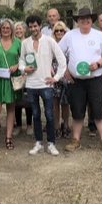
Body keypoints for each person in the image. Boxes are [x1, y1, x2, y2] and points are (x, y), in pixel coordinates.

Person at [58, 7, 102, 153]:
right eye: (82, 19)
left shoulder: (99, 35)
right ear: (78, 21)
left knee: (98, 108)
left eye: (88, 19)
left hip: (95, 78)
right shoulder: (70, 35)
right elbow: (58, 53)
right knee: (77, 109)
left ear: (91, 20)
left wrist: (98, 63)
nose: (85, 21)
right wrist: (65, 71)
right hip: (76, 81)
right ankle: (75, 140)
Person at [20, 15, 66, 156]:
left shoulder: (49, 41)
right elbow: (21, 60)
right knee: (35, 114)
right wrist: (24, 69)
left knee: (50, 114)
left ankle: (51, 143)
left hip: (46, 84)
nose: (33, 28)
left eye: (35, 26)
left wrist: (56, 77)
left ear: (40, 26)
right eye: (31, 26)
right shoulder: (25, 43)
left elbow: (62, 60)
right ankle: (39, 142)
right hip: (31, 84)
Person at [0, 18, 21, 151]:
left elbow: (23, 60)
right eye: (3, 28)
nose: (5, 30)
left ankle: (8, 138)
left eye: (8, 28)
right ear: (0, 29)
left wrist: (16, 66)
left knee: (11, 108)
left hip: (11, 79)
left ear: (11, 29)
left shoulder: (18, 43)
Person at [51, 21, 71, 138]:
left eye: (61, 30)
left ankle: (66, 126)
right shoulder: (51, 43)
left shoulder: (69, 44)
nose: (59, 32)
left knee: (65, 104)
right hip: (54, 77)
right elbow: (47, 58)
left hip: (66, 77)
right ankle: (56, 127)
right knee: (55, 104)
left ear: (65, 32)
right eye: (56, 30)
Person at [12, 21, 32, 135]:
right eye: (16, 29)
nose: (18, 31)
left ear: (25, 30)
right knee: (17, 101)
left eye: (20, 29)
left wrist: (25, 69)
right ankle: (18, 125)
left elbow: (31, 57)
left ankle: (29, 125)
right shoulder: (12, 43)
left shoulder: (28, 42)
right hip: (15, 74)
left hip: (27, 73)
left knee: (29, 100)